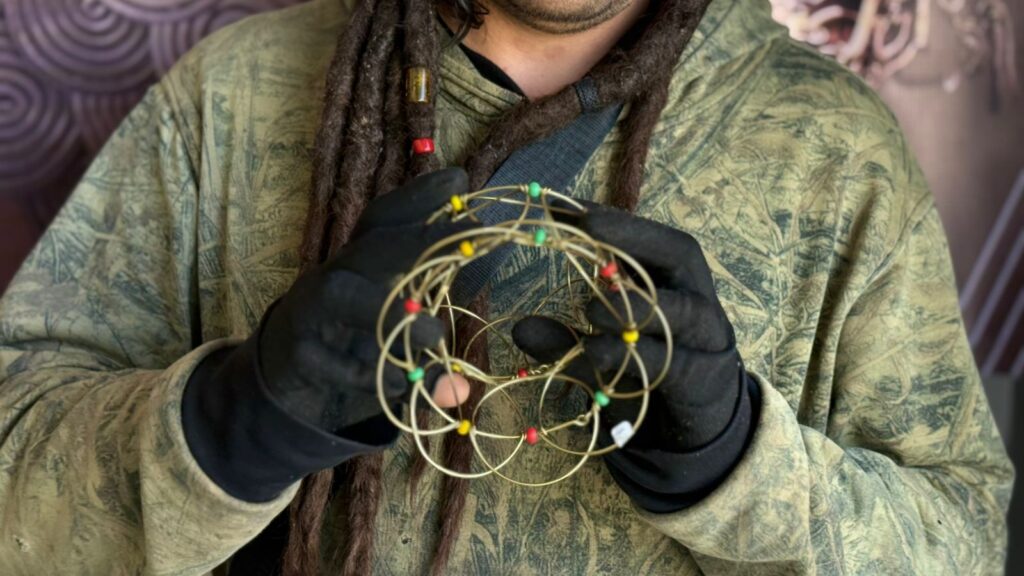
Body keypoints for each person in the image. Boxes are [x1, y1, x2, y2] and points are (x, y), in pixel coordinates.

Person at [0, 0, 1012, 574]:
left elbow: (960, 543)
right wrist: (232, 421)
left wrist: (737, 462)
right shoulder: (233, 93)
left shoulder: (835, 148)